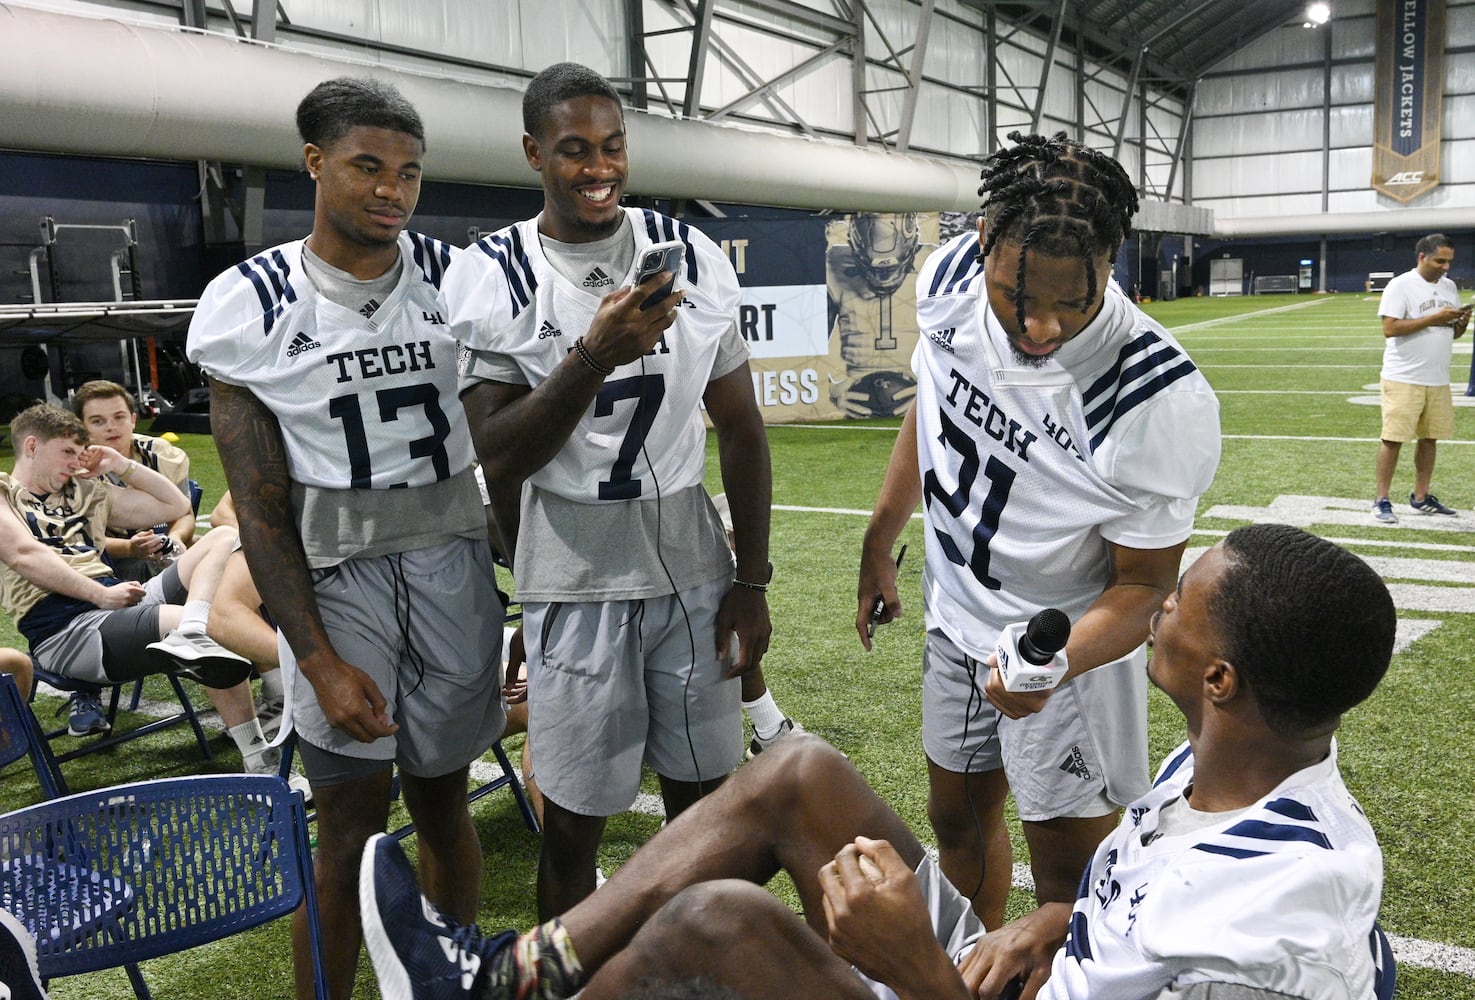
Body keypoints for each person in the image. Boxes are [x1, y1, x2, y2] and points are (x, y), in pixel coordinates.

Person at [360, 524, 1395, 1000]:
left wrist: (912, 967)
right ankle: (505, 980)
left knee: (719, 924)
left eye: (1179, 601)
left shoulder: (1277, 915)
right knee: (799, 771)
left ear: (1218, 681)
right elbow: (1145, 918)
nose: (1156, 602)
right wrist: (1055, 917)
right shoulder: (1230, 766)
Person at [186, 76, 506, 1000]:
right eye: (368, 166)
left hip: (452, 563)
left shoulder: (463, 279)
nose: (391, 191)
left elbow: (513, 433)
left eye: (408, 173)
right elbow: (258, 504)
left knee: (446, 806)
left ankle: (447, 986)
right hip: (337, 579)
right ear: (315, 161)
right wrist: (314, 656)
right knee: (349, 830)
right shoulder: (249, 299)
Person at [856, 131, 1221, 929]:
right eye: (1018, 296)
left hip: (1065, 647)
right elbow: (935, 399)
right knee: (955, 820)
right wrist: (881, 532)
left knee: (1067, 873)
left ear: (1113, 263)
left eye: (1071, 301)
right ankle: (974, 974)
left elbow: (1143, 587)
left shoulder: (1153, 397)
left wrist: (1052, 668)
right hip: (954, 615)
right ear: (983, 238)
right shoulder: (951, 276)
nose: (1041, 325)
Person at [451, 62, 772, 919]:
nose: (599, 168)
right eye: (573, 151)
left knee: (705, 812)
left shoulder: (691, 254)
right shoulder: (493, 272)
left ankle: (703, 975)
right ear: (533, 153)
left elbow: (740, 428)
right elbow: (494, 455)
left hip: (690, 561)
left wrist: (752, 581)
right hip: (574, 562)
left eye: (612, 147)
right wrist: (592, 356)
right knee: (574, 826)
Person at [0, 404, 268, 766]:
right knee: (204, 628)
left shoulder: (82, 493)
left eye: (78, 453)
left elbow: (175, 505)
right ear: (31, 446)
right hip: (64, 630)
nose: (73, 462)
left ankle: (191, 630)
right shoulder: (5, 493)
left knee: (222, 536)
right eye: (66, 452)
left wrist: (119, 465)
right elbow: (23, 554)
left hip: (116, 606)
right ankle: (260, 759)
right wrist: (99, 593)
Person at [1370, 233, 1469, 523]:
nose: (1445, 267)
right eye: (1440, 260)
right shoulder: (1400, 285)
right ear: (1422, 256)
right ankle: (1381, 499)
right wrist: (1434, 318)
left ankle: (1421, 497)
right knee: (1393, 439)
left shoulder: (1450, 287)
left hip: (1438, 377)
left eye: (1449, 261)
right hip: (1403, 376)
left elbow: (1451, 331)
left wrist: (1460, 323)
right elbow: (1390, 328)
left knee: (1429, 439)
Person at [72, 379, 196, 579]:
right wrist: (130, 548)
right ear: (80, 427)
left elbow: (184, 514)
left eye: (119, 417)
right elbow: (77, 541)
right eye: (98, 421)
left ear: (133, 419)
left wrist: (175, 540)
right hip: (106, 563)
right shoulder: (72, 468)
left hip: (163, 548)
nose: (111, 427)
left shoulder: (162, 453)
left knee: (228, 546)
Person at [827, 212, 924, 418]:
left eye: (891, 268)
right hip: (854, 405)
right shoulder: (834, 265)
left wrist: (933, 389)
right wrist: (831, 390)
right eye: (876, 268)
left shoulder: (933, 263)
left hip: (921, 401)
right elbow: (805, 348)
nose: (884, 276)